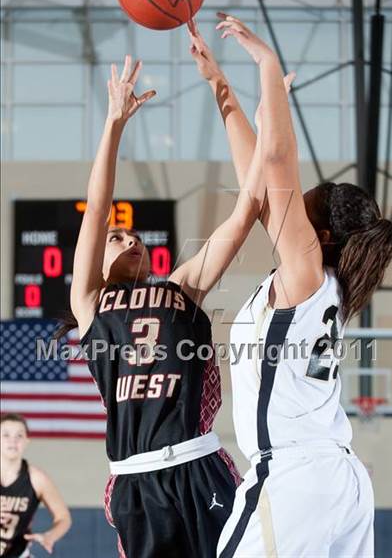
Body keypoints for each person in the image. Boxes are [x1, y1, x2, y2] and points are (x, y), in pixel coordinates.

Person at [188, 15, 392, 558]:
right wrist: (221, 89)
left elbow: (277, 163)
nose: (293, 203)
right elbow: (259, 183)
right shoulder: (319, 283)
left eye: (309, 202)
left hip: (296, 475)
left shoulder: (306, 274)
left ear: (321, 233)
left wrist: (267, 64)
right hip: (338, 479)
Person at [66, 53, 273, 558]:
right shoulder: (90, 302)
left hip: (199, 466)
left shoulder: (182, 288)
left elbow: (244, 214)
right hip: (136, 479)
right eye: (117, 237)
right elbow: (97, 205)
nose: (129, 241)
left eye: (136, 237)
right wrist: (113, 124)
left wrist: (245, 110)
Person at [0, 413, 71, 557]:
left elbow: (63, 517)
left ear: (27, 440)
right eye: (6, 435)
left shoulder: (36, 479)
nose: (12, 441)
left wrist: (50, 536)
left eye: (19, 436)